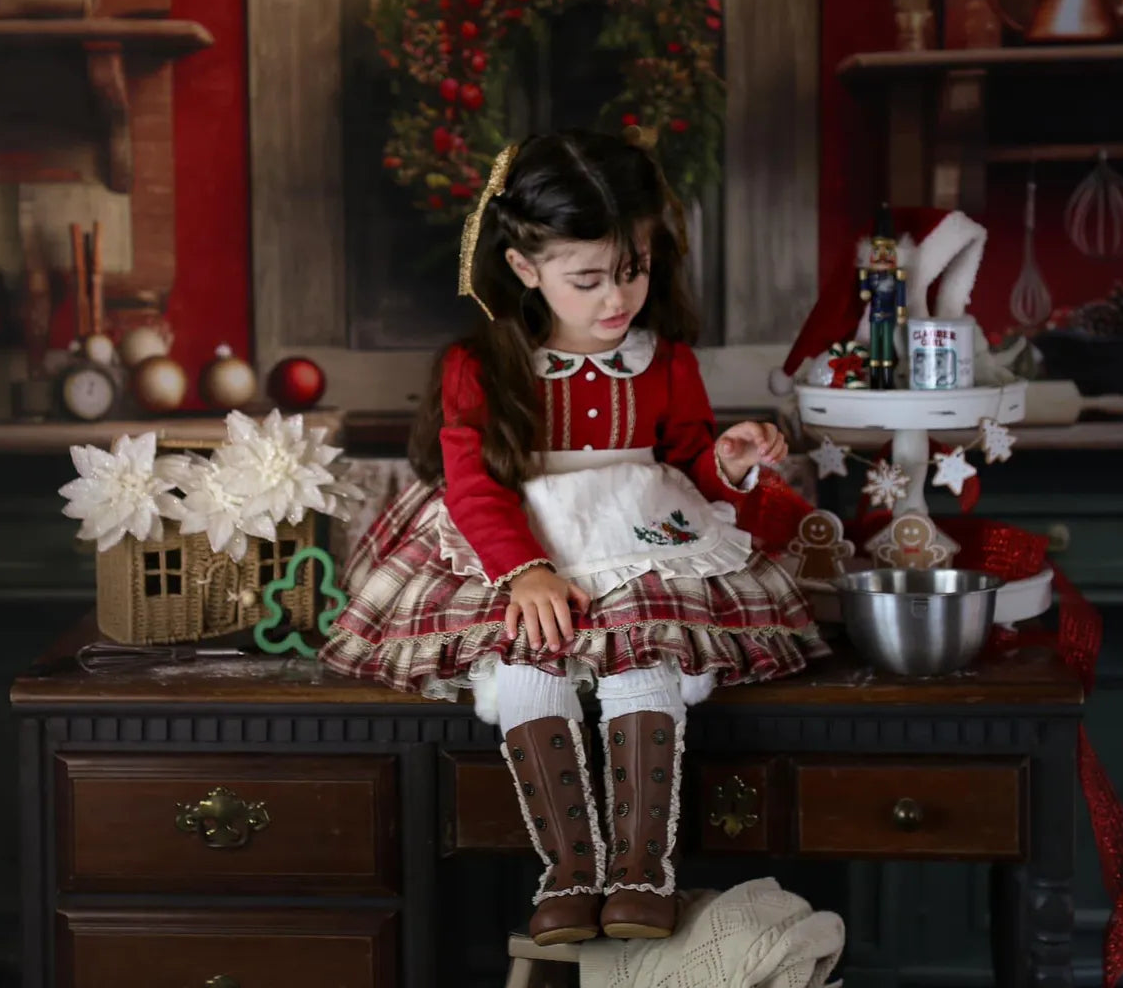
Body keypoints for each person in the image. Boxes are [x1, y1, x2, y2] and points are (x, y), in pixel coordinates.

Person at [320, 128, 829, 947]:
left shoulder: (666, 361)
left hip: (642, 541)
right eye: (586, 279)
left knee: (645, 662)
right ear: (525, 268)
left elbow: (691, 461)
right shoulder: (481, 365)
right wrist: (524, 573)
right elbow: (474, 482)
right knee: (528, 664)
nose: (613, 299)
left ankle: (639, 871)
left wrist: (728, 463)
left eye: (633, 269)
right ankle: (567, 871)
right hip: (523, 545)